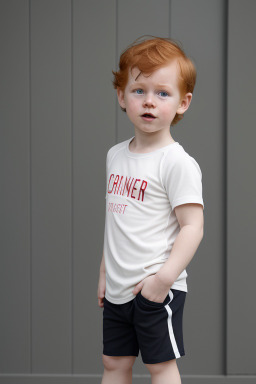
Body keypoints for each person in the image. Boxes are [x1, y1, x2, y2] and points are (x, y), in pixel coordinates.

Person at [97, 36, 204, 384]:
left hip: (156, 287)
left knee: (160, 366)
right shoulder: (116, 155)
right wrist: (104, 272)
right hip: (117, 286)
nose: (149, 102)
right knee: (113, 362)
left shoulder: (177, 163)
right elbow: (117, 221)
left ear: (182, 103)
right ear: (121, 97)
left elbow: (193, 227)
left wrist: (163, 280)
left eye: (162, 93)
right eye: (139, 90)